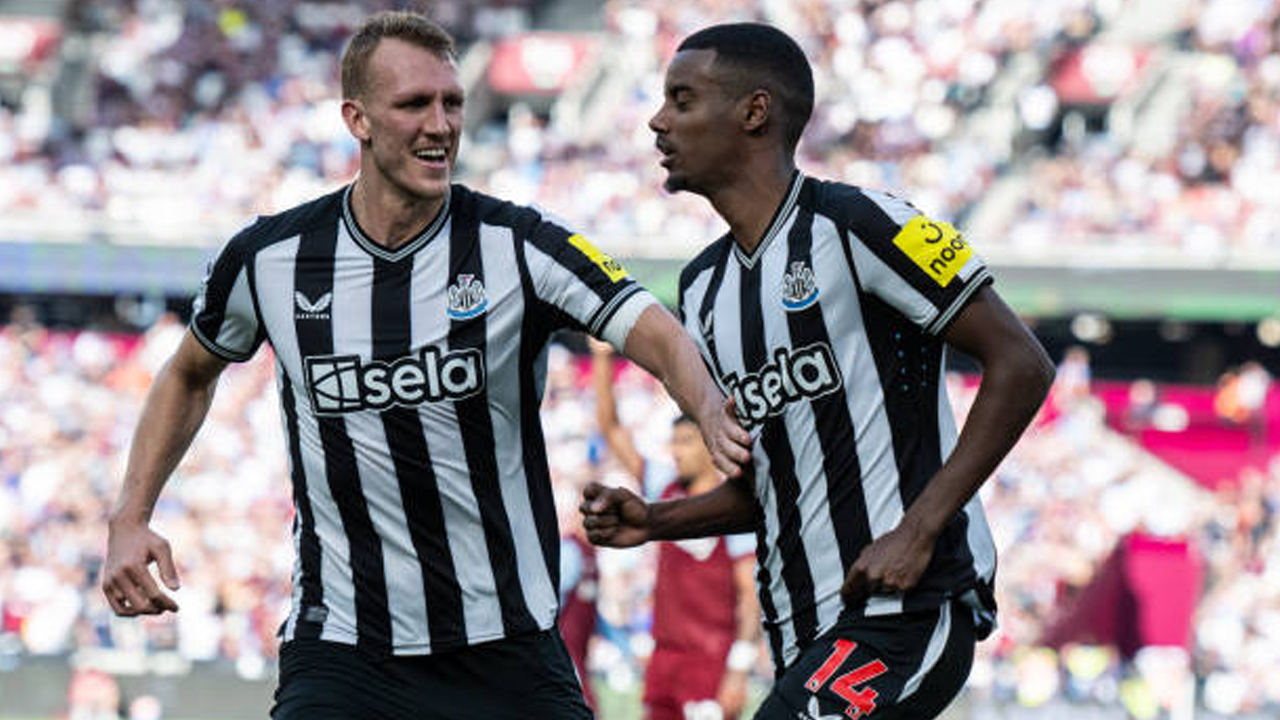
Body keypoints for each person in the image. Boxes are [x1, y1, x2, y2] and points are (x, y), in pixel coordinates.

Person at [100, 11, 751, 720]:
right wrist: (129, 517)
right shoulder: (270, 259)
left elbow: (651, 330)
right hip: (346, 649)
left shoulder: (517, 245)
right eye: (414, 104)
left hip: (505, 646)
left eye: (452, 103)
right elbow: (190, 371)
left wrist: (710, 405)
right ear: (359, 119)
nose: (440, 124)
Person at [581, 22, 1055, 720]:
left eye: (682, 100)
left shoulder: (858, 223)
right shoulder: (704, 289)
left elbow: (1022, 363)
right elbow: (768, 485)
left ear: (754, 111)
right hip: (803, 632)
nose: (658, 122)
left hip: (906, 607)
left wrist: (917, 528)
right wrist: (656, 519)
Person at [590, 339, 760, 720]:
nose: (676, 452)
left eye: (685, 442)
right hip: (665, 659)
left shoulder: (731, 507)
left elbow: (749, 594)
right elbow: (611, 429)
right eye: (674, 443)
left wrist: (738, 667)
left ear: (707, 444)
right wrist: (601, 359)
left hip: (710, 663)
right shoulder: (663, 489)